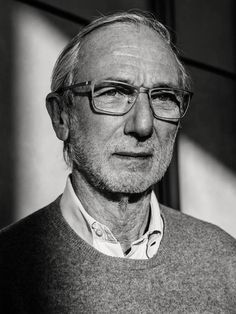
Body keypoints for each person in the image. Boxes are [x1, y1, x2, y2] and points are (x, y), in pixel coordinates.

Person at [0, 11, 236, 313]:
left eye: (164, 96)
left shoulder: (224, 262)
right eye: (114, 92)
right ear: (62, 116)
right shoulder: (9, 267)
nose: (143, 125)